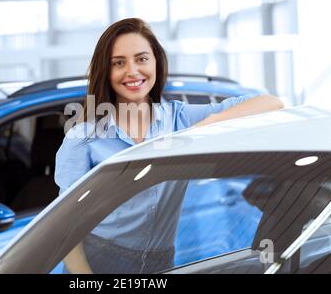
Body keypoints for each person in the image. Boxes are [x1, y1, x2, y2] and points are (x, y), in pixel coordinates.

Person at [54, 18, 284, 274]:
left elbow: (271, 103)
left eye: (141, 59)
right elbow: (65, 226)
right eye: (119, 63)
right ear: (105, 71)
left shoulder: (179, 119)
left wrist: (209, 123)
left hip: (160, 261)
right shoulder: (83, 137)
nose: (132, 71)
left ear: (156, 62)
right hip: (100, 259)